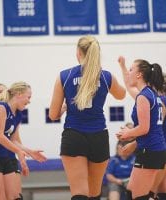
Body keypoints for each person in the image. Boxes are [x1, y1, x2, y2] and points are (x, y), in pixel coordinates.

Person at [49, 35, 126, 200]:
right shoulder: (106, 76)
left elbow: (53, 115)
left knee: (79, 192)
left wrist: (64, 108)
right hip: (99, 136)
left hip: (73, 135)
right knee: (94, 192)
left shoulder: (65, 76)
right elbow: (121, 95)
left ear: (78, 52)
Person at [0, 81, 47, 200]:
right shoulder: (1, 107)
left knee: (15, 197)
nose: (29, 101)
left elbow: (14, 140)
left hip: (6, 158)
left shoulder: (18, 114)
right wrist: (19, 152)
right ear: (18, 94)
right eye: (28, 97)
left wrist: (29, 152)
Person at [116, 56, 166, 200]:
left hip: (151, 150)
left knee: (139, 196)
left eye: (131, 70)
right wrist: (123, 66)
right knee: (132, 192)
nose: (129, 73)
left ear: (139, 74)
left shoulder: (143, 97)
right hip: (153, 149)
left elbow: (144, 128)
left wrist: (128, 132)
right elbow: (128, 84)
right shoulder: (150, 94)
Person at [106, 124, 135, 200]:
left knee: (135, 187)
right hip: (116, 182)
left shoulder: (134, 158)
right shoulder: (113, 160)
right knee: (113, 187)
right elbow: (108, 175)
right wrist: (117, 181)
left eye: (124, 146)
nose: (122, 148)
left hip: (130, 182)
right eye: (120, 146)